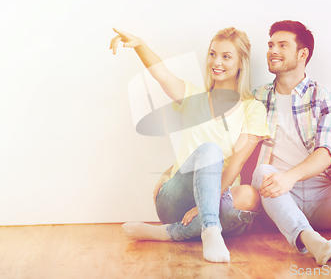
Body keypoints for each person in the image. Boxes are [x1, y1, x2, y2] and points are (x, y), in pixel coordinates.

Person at [110, 27, 269, 263]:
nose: (216, 62)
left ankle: (168, 233)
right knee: (210, 150)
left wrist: (209, 203)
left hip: (221, 197)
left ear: (241, 63)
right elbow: (162, 74)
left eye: (226, 56)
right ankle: (211, 227)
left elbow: (239, 161)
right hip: (176, 198)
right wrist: (141, 45)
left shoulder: (252, 108)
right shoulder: (192, 96)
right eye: (213, 54)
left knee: (249, 196)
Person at [251, 20, 331, 266]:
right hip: (278, 196)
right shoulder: (257, 97)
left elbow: (326, 153)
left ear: (303, 54)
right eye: (270, 45)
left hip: (322, 194)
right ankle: (308, 238)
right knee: (262, 171)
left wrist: (290, 176)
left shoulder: (326, 97)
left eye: (282, 45)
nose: (272, 50)